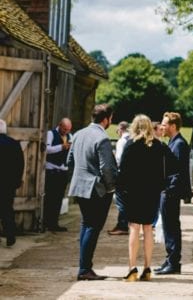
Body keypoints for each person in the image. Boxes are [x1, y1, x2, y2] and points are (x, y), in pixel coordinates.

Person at [66, 104, 118, 281]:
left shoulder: (79, 134)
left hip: (79, 186)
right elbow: (107, 168)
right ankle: (84, 268)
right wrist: (111, 187)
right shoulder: (102, 137)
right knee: (93, 227)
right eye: (111, 119)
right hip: (96, 189)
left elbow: (70, 161)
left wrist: (78, 177)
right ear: (106, 119)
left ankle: (84, 266)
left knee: (86, 225)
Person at [117, 115, 168, 282]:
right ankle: (147, 268)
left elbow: (123, 170)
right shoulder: (158, 145)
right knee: (148, 229)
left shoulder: (131, 144)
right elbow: (167, 168)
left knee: (134, 228)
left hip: (133, 192)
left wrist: (121, 189)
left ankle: (132, 268)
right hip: (151, 192)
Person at [156, 111, 190, 275]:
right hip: (168, 189)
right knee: (169, 226)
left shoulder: (179, 144)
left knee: (171, 226)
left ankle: (174, 262)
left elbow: (177, 171)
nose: (162, 126)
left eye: (164, 124)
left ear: (173, 126)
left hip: (171, 191)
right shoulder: (172, 142)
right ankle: (170, 260)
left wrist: (170, 190)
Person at [43, 117, 72, 232]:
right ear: (59, 125)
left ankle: (54, 223)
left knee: (59, 198)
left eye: (68, 130)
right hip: (51, 170)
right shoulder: (51, 134)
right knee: (49, 198)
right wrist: (61, 147)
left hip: (63, 171)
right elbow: (47, 149)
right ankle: (46, 222)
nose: (66, 132)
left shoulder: (70, 137)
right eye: (64, 129)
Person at [0, 119, 25, 247]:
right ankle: (10, 235)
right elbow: (20, 164)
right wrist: (17, 180)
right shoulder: (14, 144)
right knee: (7, 209)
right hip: (8, 183)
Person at [108, 121, 130, 236]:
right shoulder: (132, 139)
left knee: (120, 201)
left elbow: (119, 159)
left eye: (117, 130)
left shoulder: (122, 141)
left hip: (122, 175)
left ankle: (122, 225)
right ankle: (124, 224)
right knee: (126, 201)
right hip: (131, 176)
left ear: (121, 129)